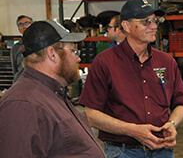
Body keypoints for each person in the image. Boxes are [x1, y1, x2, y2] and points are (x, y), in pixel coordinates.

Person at [79, 0, 183, 158]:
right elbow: (91, 115)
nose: (153, 26)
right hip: (123, 151)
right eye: (145, 22)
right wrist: (132, 130)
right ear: (127, 26)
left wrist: (172, 124)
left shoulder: (167, 62)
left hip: (162, 150)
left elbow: (181, 104)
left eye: (154, 21)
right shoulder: (104, 62)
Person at [0, 20, 106, 158]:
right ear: (52, 54)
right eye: (73, 51)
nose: (78, 58)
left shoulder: (52, 93)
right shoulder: (25, 104)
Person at [10, 15, 33, 83]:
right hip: (21, 83)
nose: (24, 26)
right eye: (20, 24)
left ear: (32, 25)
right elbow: (15, 69)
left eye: (27, 23)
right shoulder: (15, 48)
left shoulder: (41, 44)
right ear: (18, 29)